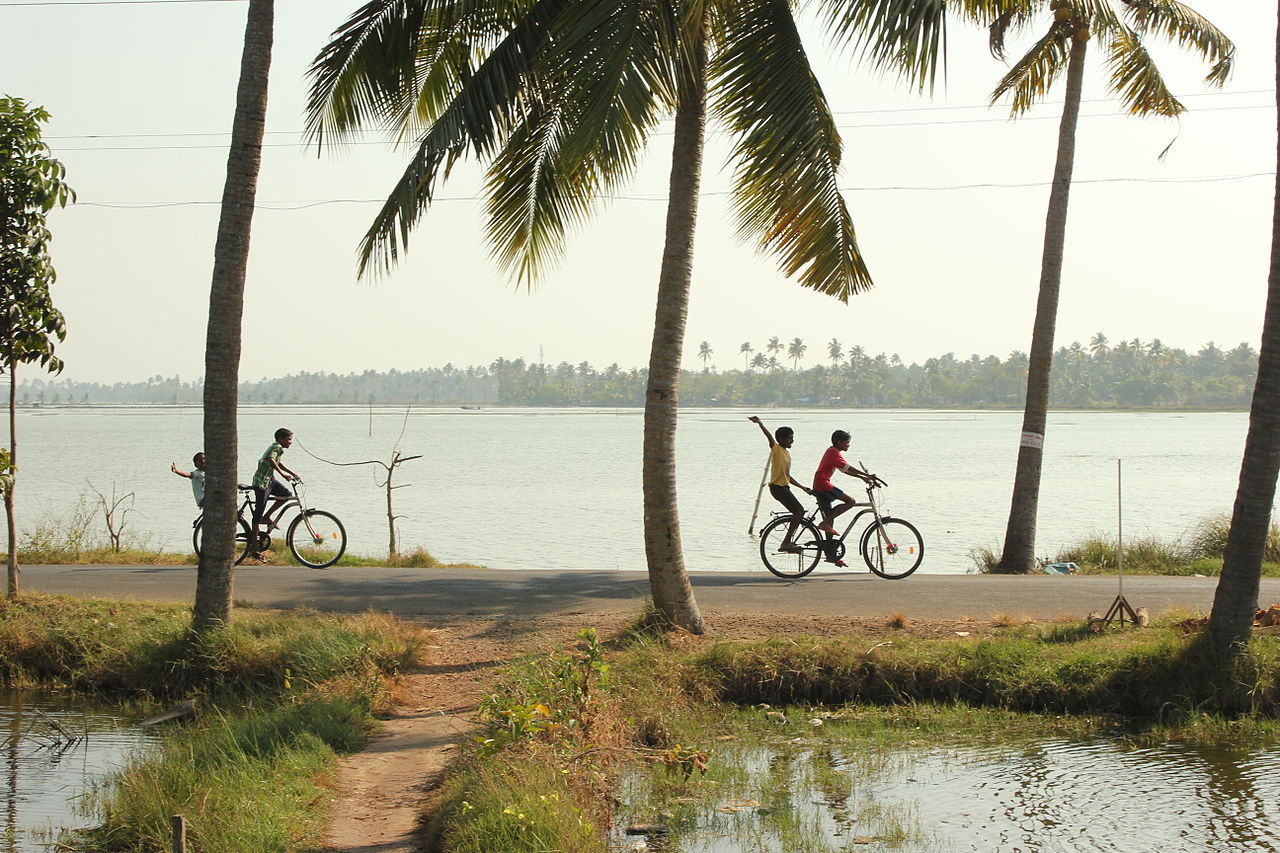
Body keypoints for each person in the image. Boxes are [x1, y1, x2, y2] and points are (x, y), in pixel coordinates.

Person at [812, 429, 876, 567]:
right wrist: (868, 476)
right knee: (850, 501)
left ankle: (831, 556)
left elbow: (844, 470)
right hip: (823, 484)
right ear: (840, 442)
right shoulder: (833, 452)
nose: (848, 445)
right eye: (847, 443)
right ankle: (825, 523)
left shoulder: (833, 452)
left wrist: (863, 477)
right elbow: (847, 467)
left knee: (830, 521)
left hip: (821, 483)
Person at [748, 415, 812, 553]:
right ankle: (786, 542)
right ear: (782, 439)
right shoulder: (777, 449)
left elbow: (787, 476)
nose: (792, 440)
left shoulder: (787, 454)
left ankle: (788, 541)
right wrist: (760, 423)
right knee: (799, 511)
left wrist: (802, 488)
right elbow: (769, 437)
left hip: (784, 487)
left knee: (798, 512)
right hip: (777, 488)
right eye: (790, 438)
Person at [249, 427, 299, 561]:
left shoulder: (278, 448)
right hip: (261, 483)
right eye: (289, 439)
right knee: (257, 515)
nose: (290, 442)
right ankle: (254, 547)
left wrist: (292, 473)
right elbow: (271, 460)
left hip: (270, 480)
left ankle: (267, 516)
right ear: (281, 439)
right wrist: (283, 474)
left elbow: (278, 462)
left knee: (286, 495)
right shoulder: (277, 447)